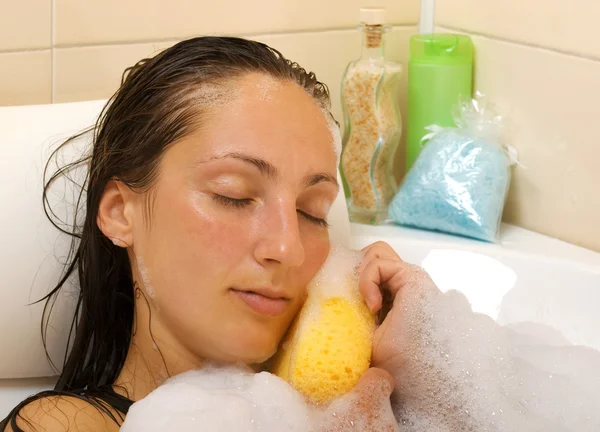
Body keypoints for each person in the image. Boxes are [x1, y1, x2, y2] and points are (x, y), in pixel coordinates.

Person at [1, 36, 437, 432]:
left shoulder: (355, 407)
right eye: (234, 195)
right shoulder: (64, 424)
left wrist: (412, 372)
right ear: (120, 214)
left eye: (311, 212)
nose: (288, 247)